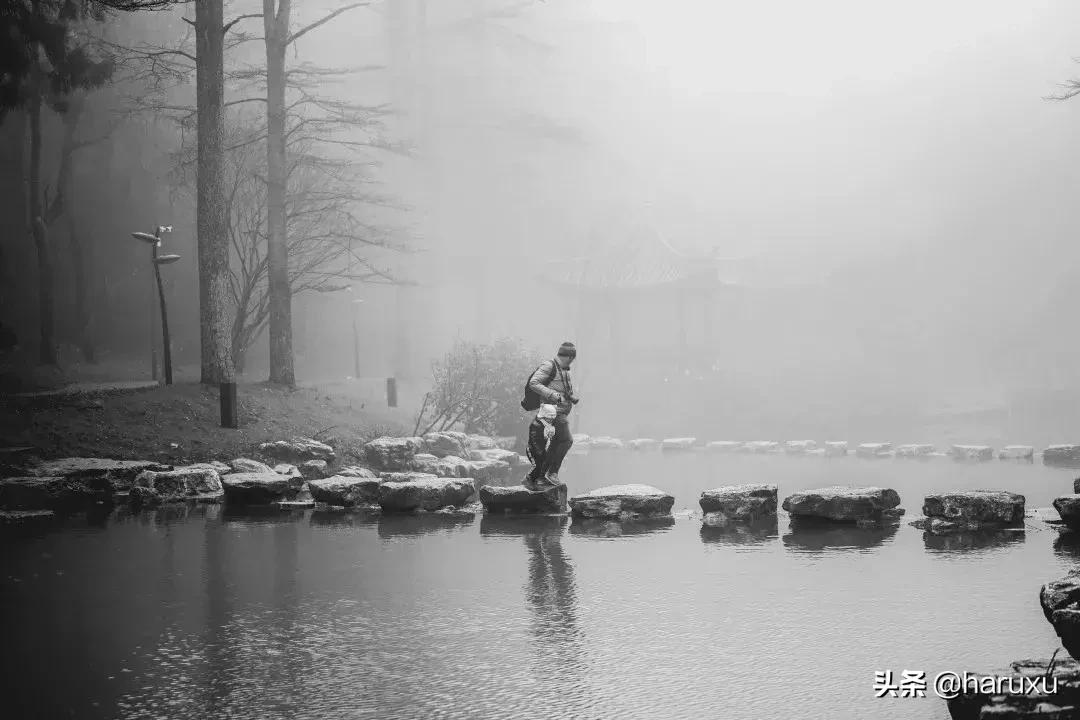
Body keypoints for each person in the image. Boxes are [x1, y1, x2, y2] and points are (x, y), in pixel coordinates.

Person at [524, 341, 579, 490]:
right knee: (567, 440)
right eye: (572, 358)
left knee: (556, 444)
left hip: (560, 412)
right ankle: (551, 473)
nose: (573, 361)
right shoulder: (549, 366)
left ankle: (538, 477)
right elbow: (534, 383)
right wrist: (552, 395)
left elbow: (562, 388)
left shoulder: (565, 370)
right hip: (552, 412)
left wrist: (570, 397)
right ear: (569, 356)